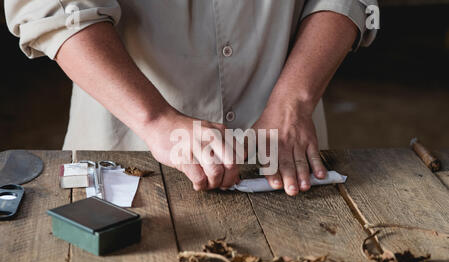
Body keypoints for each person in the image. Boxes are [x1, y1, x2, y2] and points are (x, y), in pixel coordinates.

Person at [5, 0, 378, 196]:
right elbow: (53, 6)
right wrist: (156, 120)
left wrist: (294, 100)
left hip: (287, 158)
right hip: (128, 151)